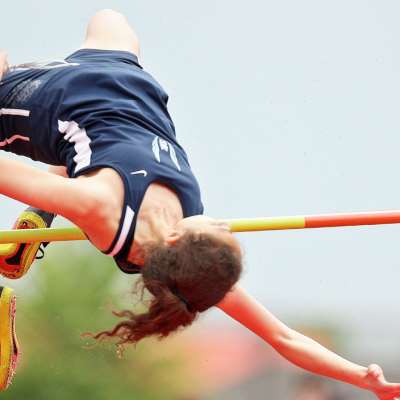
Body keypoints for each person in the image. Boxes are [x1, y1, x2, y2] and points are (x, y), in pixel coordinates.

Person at [0, 9, 399, 398]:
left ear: (178, 239)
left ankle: (36, 217)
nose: (223, 226)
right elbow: (283, 335)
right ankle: (40, 217)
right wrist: (361, 376)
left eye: (219, 233)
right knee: (109, 18)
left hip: (56, 101)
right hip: (129, 84)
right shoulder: (197, 258)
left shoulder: (102, 207)